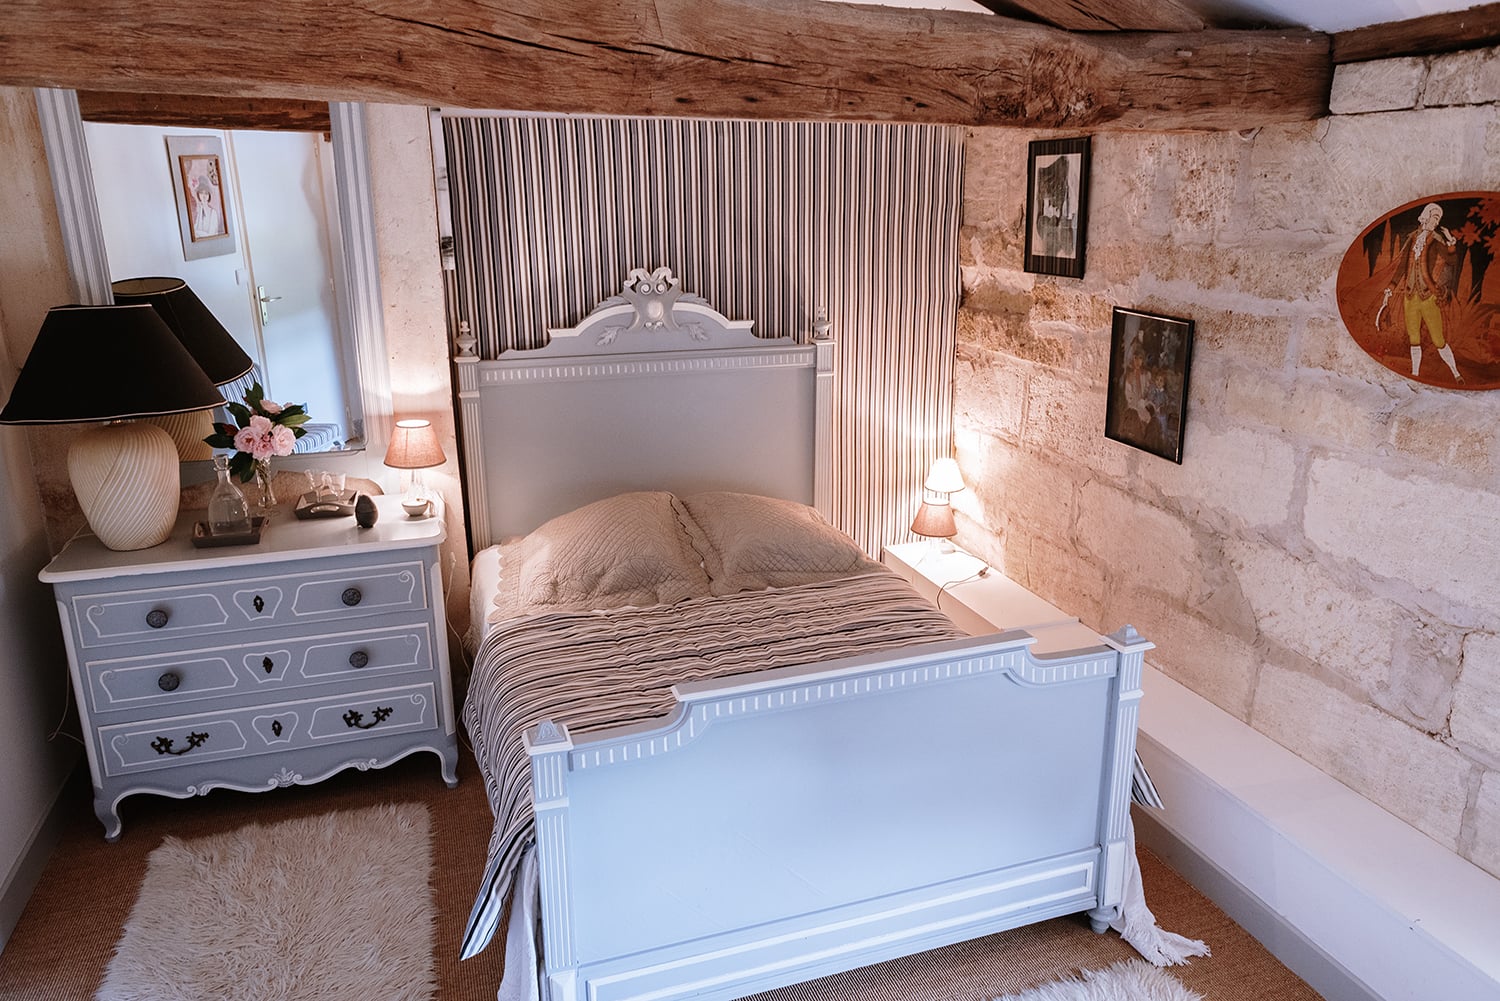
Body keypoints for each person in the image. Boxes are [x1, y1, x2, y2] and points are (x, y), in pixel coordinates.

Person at [1381, 202, 1461, 382]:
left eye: (1438, 218)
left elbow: (1451, 260)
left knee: (1438, 339)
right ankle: (1415, 374)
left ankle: (1456, 374)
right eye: (1434, 217)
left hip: (1428, 296)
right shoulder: (1412, 238)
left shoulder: (1437, 240)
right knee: (1414, 338)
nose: (1435, 221)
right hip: (1409, 296)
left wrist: (1450, 240)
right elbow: (1402, 267)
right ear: (1425, 216)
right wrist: (1391, 288)